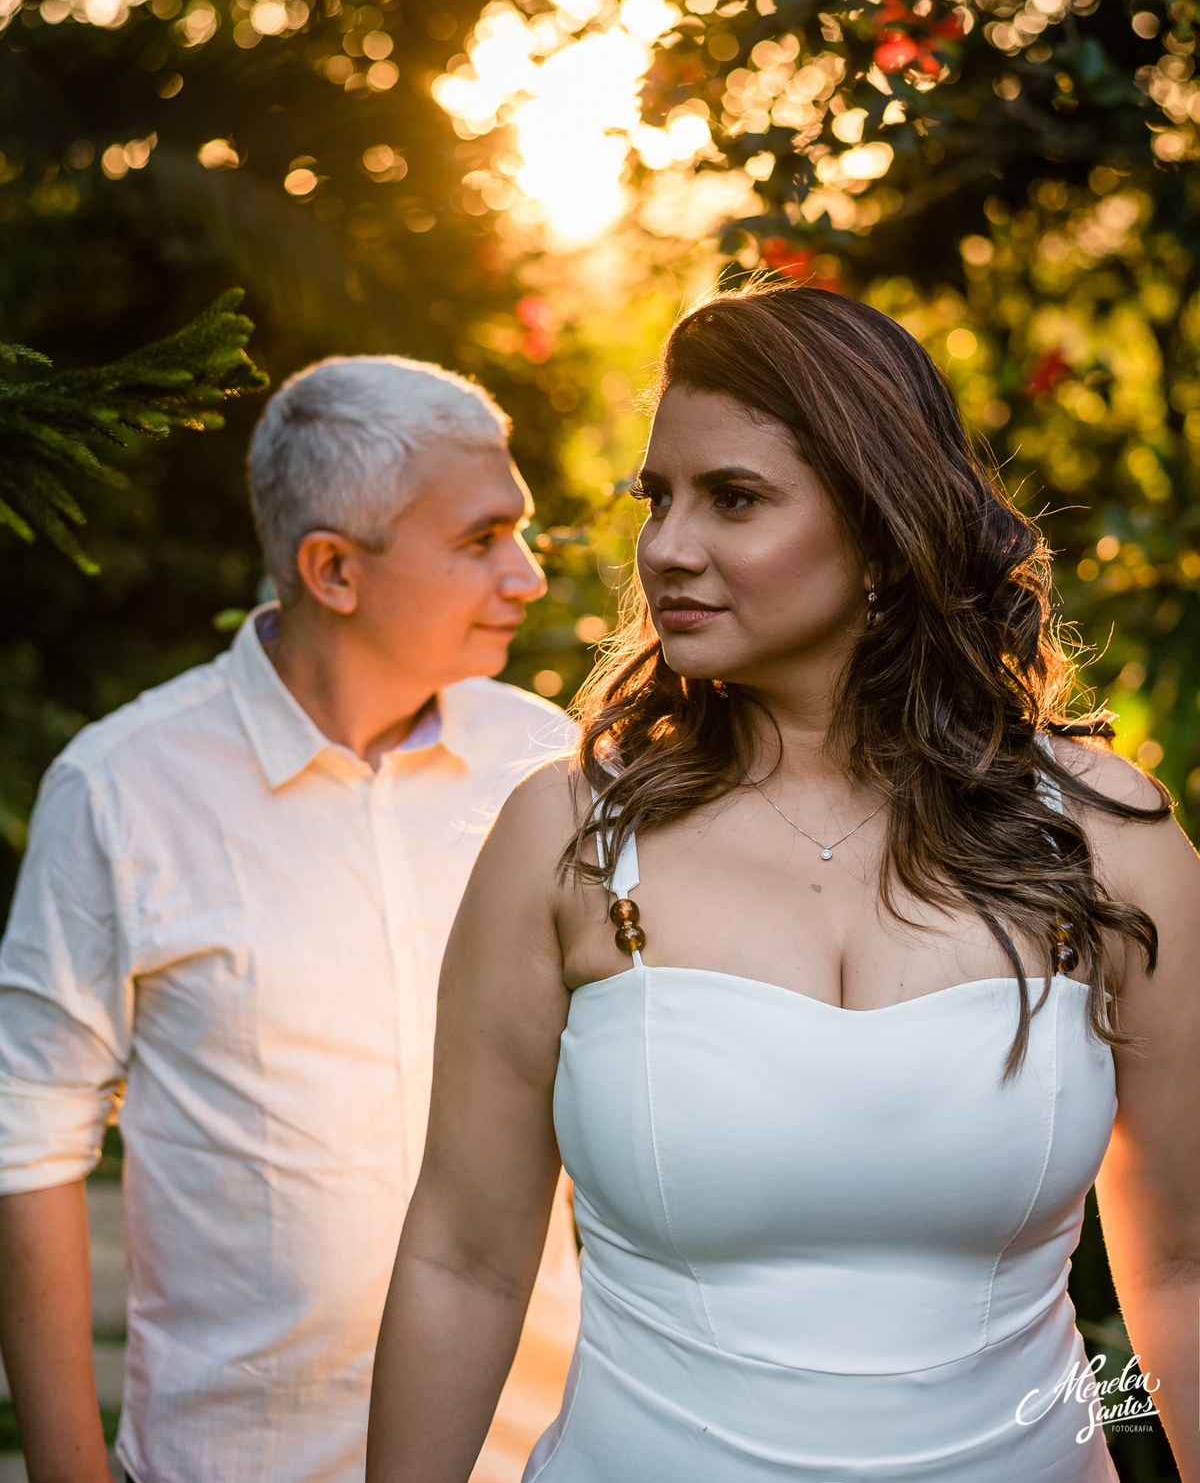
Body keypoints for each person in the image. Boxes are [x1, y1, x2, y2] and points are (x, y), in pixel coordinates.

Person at [366, 285, 1200, 1483]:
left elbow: (1179, 1267)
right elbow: (463, 1256)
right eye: (658, 497)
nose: (667, 546)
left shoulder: (1109, 840)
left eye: (735, 498)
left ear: (879, 530)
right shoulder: (566, 837)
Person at [0, 355, 580, 1483]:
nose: (527, 577)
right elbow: (25, 1136)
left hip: (542, 1459)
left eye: (524, 535)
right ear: (333, 569)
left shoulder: (550, 767)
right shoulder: (120, 788)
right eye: (480, 539)